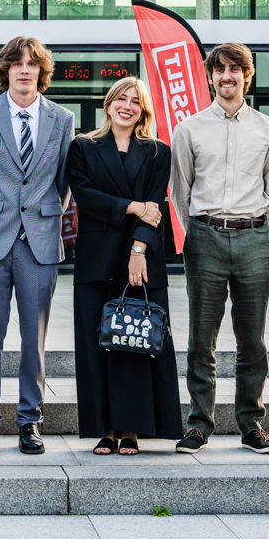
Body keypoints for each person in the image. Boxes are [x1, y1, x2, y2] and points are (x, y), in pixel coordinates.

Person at [172, 43, 269, 455]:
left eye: (235, 69)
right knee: (201, 340)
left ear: (247, 76)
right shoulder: (189, 129)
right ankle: (199, 424)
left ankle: (251, 424)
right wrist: (202, 230)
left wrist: (254, 229)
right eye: (219, 70)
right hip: (205, 237)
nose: (227, 76)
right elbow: (181, 191)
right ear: (209, 77)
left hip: (255, 237)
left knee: (252, 341)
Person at [0, 36, 74, 455]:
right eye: (17, 63)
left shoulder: (62, 118)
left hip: (39, 242)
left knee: (35, 339)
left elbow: (63, 182)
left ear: (41, 71)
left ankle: (30, 421)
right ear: (6, 70)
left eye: (32, 63)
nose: (24, 69)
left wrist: (41, 214)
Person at [68, 77, 181, 455]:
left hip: (140, 257)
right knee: (96, 344)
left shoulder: (158, 151)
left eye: (135, 101)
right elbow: (85, 195)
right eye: (121, 98)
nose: (127, 106)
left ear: (143, 111)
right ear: (109, 104)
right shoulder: (83, 146)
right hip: (96, 258)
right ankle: (104, 429)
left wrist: (138, 249)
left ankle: (131, 429)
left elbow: (156, 206)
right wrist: (132, 207)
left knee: (135, 342)